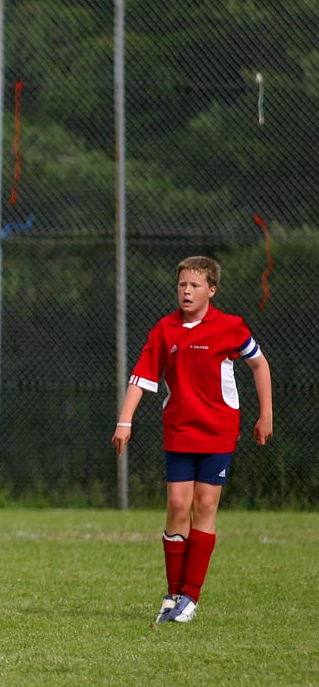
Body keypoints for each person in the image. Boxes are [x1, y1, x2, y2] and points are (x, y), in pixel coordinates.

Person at [112, 255, 273, 625]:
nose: (187, 291)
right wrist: (125, 420)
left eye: (195, 285)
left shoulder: (230, 327)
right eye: (182, 285)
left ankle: (191, 597)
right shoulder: (165, 329)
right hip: (180, 430)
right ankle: (173, 594)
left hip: (218, 431)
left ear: (211, 290)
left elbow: (259, 364)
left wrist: (266, 415)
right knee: (176, 505)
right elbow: (141, 377)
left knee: (204, 505)